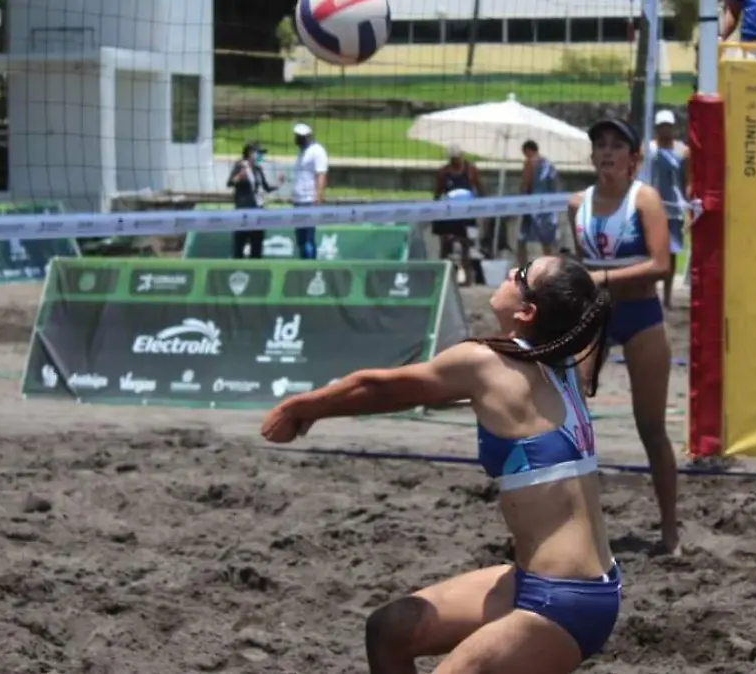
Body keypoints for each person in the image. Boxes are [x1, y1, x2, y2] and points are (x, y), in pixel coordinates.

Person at [262, 253, 622, 673]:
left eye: (520, 274)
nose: (508, 271)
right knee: (390, 630)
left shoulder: (487, 363)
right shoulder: (560, 361)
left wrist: (301, 408)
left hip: (564, 602)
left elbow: (377, 388)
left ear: (527, 311)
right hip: (545, 582)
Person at [567, 117, 681, 555]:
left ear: (633, 159)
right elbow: (583, 271)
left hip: (640, 316)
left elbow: (660, 266)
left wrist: (600, 278)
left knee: (651, 427)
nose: (608, 152)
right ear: (592, 156)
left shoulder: (645, 199)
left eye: (617, 145)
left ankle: (670, 532)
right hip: (595, 317)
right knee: (570, 422)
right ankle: (576, 527)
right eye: (601, 145)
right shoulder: (577, 203)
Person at [647, 110, 690, 310]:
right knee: (650, 252)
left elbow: (685, 180)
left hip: (674, 209)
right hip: (651, 208)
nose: (665, 129)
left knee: (671, 253)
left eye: (669, 125)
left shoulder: (681, 150)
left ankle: (667, 297)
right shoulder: (649, 149)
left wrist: (688, 206)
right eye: (662, 125)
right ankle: (650, 295)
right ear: (656, 127)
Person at [433, 145, 483, 286]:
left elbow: (480, 189)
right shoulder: (443, 172)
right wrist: (435, 212)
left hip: (465, 215)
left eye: (457, 159)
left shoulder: (471, 170)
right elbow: (437, 193)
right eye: (453, 159)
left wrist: (483, 209)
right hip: (448, 214)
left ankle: (468, 279)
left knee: (465, 245)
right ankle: (444, 278)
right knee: (445, 246)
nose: (455, 161)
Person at [230, 141, 279, 259]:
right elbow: (230, 182)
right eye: (259, 153)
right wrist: (239, 177)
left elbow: (265, 187)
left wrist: (278, 184)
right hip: (243, 211)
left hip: (258, 210)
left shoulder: (258, 169)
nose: (261, 156)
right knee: (239, 245)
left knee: (257, 244)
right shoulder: (240, 166)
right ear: (250, 153)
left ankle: (256, 269)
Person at [517, 140, 561, 268]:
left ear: (528, 151)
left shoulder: (530, 163)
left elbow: (526, 183)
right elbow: (555, 185)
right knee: (546, 241)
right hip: (547, 206)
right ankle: (550, 268)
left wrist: (520, 199)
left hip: (532, 205)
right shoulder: (548, 164)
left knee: (522, 240)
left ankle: (523, 268)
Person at [290, 122, 329, 259]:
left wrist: (318, 196)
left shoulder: (317, 151)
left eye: (299, 136)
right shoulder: (301, 152)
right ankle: (302, 263)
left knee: (308, 237)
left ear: (307, 137)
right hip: (298, 200)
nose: (296, 139)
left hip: (308, 200)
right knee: (300, 237)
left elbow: (321, 174)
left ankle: (310, 266)